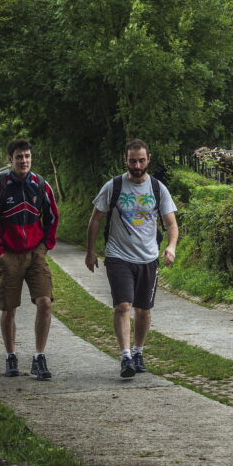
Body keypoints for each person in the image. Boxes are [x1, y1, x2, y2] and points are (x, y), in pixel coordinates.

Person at [84, 139, 178, 378]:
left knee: (143, 310)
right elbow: (95, 219)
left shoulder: (158, 188)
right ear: (125, 160)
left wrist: (171, 247)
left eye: (141, 160)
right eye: (133, 160)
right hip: (118, 256)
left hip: (148, 257)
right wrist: (91, 251)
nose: (137, 165)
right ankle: (126, 357)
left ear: (149, 159)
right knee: (123, 305)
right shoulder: (113, 186)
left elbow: (171, 223)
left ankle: (138, 352)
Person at [0, 139, 59, 380]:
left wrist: (46, 245)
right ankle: (11, 356)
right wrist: (0, 253)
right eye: (19, 157)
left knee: (45, 302)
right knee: (9, 307)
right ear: (10, 160)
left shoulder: (41, 185)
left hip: (35, 252)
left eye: (27, 156)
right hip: (9, 254)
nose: (24, 161)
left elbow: (53, 216)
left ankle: (39, 357)